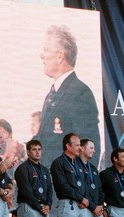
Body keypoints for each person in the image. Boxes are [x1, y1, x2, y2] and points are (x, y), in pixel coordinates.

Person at [34, 25, 100, 169]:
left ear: (60, 56)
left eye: (46, 49)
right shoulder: (52, 94)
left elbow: (88, 148)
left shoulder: (80, 93)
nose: (41, 55)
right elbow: (45, 139)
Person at [50, 133, 89, 217]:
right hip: (68, 205)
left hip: (81, 206)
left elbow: (82, 184)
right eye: (77, 145)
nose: (80, 148)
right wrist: (81, 198)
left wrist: (83, 199)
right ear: (68, 146)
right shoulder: (58, 163)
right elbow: (63, 187)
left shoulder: (77, 163)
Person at [15, 139, 53, 217]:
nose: (37, 152)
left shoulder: (45, 170)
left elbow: (49, 190)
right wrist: (40, 207)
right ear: (28, 152)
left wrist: (48, 205)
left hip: (43, 209)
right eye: (34, 150)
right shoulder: (22, 169)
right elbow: (26, 192)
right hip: (29, 207)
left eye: (39, 149)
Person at [78, 139, 105, 217]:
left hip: (97, 212)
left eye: (94, 148)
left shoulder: (93, 168)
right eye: (91, 148)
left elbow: (99, 188)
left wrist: (100, 205)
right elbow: (82, 190)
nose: (94, 150)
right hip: (85, 210)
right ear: (82, 149)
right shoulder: (76, 166)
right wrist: (93, 207)